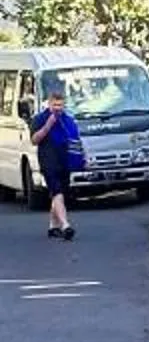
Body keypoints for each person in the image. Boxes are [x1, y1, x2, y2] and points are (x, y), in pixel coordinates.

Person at [30, 81, 81, 240]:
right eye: (55, 105)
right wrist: (48, 125)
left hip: (64, 160)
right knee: (57, 191)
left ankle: (53, 227)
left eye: (60, 105)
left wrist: (83, 157)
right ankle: (66, 226)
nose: (58, 108)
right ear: (49, 103)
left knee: (60, 194)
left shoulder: (68, 119)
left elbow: (76, 140)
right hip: (48, 160)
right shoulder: (40, 118)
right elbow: (34, 140)